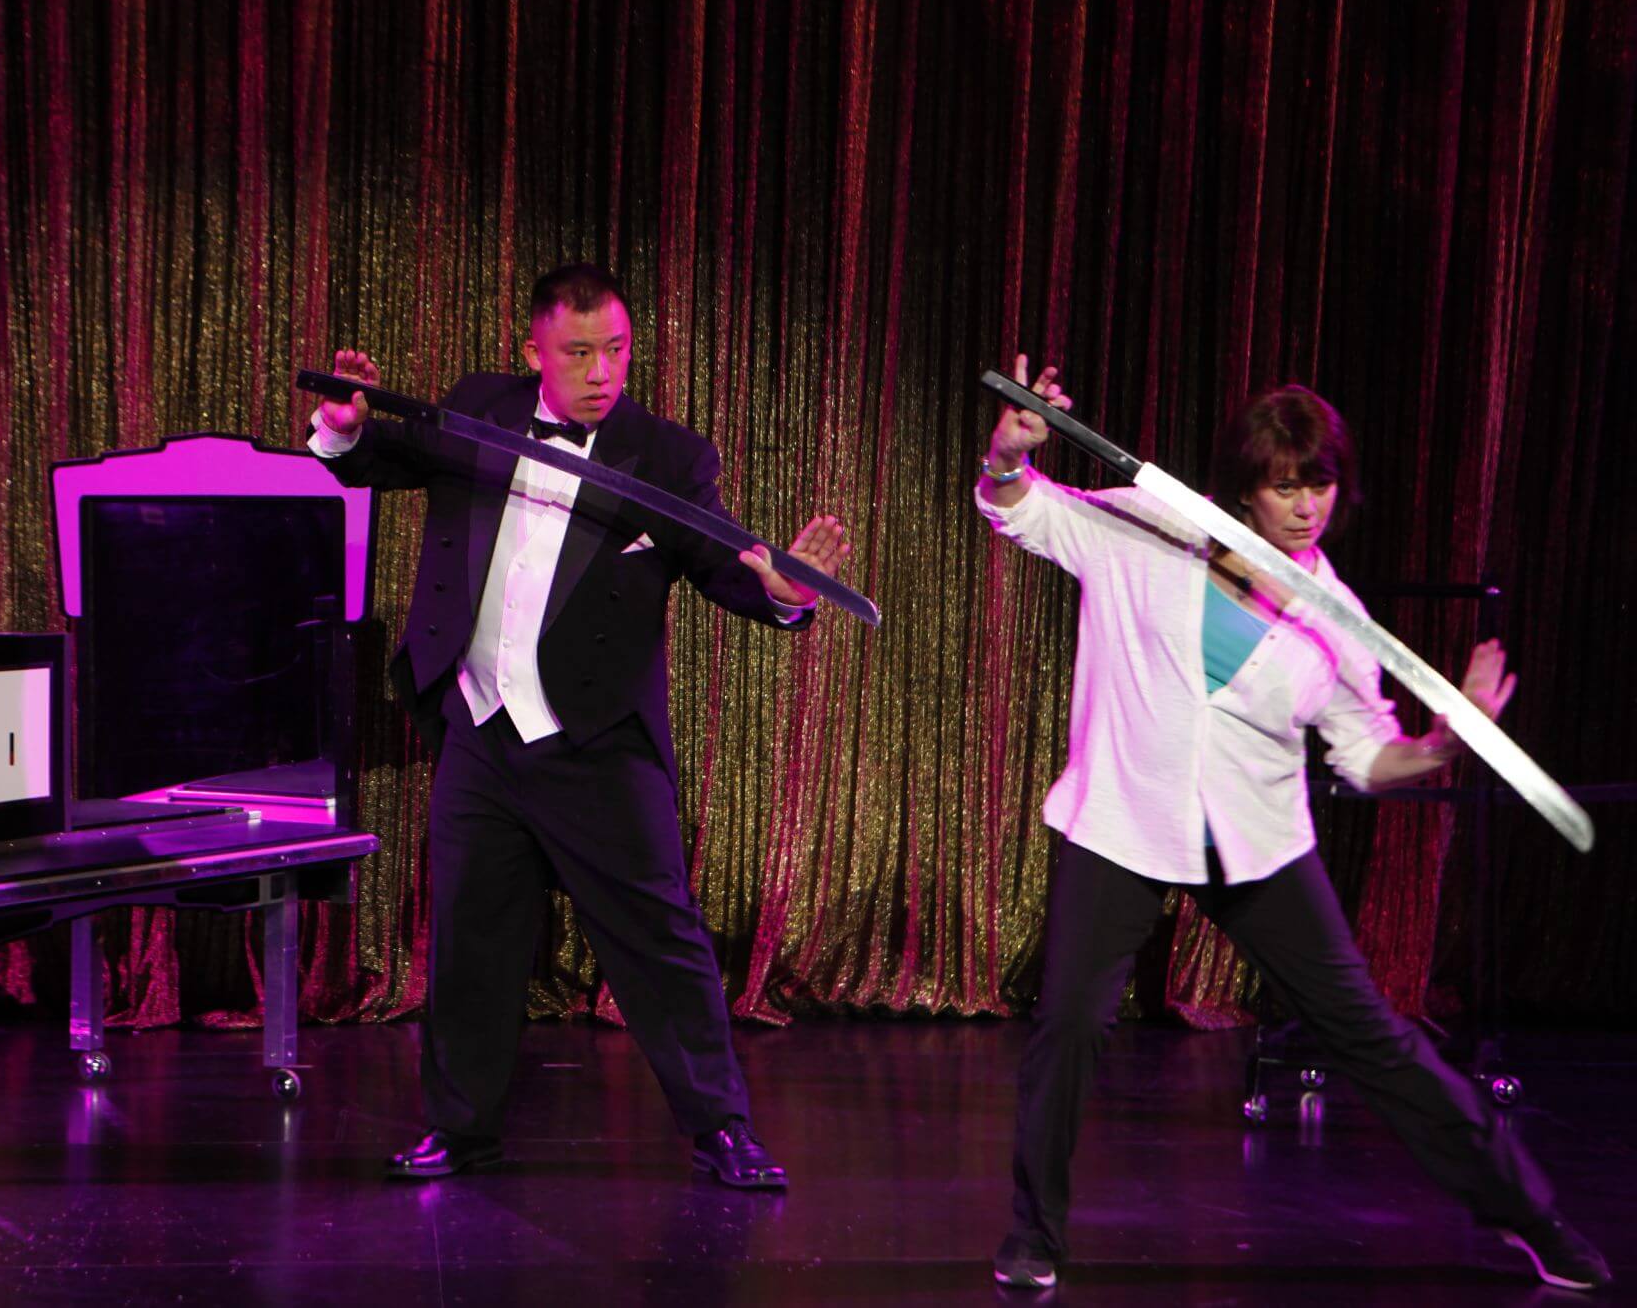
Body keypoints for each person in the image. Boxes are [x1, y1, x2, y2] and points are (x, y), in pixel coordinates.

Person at [975, 357, 1611, 1291]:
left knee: (1371, 1035)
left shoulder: (1336, 618)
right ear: (1247, 487)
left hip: (1256, 840)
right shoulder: (1152, 527)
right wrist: (1006, 459)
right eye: (1285, 485)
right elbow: (1024, 510)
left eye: (1320, 483)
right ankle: (1035, 1232)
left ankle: (1531, 1216)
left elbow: (1369, 753)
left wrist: (1441, 744)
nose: (1306, 504)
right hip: (1122, 818)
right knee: (1068, 1024)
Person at [307, 263, 850, 1188]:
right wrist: (343, 428)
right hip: (481, 727)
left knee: (659, 939)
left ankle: (721, 1127)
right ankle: (460, 1128)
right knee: (471, 941)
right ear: (534, 353)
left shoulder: (668, 455)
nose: (602, 371)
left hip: (595, 739)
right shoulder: (479, 408)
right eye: (579, 352)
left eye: (617, 350)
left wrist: (785, 593)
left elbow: (719, 561)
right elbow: (380, 460)